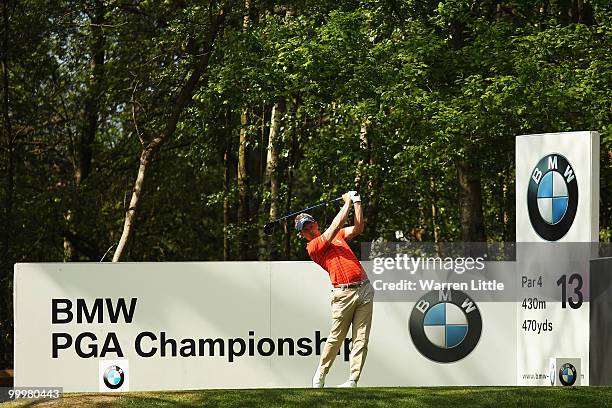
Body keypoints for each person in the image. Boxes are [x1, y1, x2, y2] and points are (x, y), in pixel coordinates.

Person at [294, 191, 374, 388]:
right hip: (343, 294)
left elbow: (358, 227)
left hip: (364, 289)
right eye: (305, 228)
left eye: (310, 224)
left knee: (361, 338)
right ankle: (321, 374)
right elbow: (336, 225)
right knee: (336, 337)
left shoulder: (338, 236)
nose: (310, 228)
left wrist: (357, 202)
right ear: (302, 234)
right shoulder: (313, 247)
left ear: (315, 223)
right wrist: (346, 202)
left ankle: (353, 380)